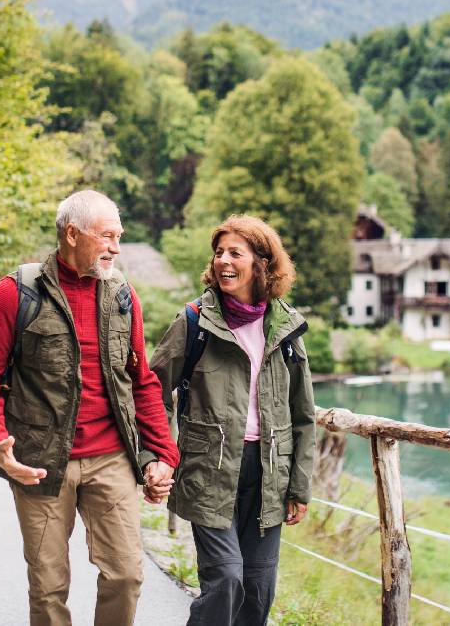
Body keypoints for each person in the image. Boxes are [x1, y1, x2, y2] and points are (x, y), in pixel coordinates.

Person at [0, 190, 179, 626]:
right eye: (107, 237)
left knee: (125, 575)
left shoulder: (123, 296)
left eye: (119, 236)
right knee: (48, 588)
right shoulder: (15, 293)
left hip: (111, 458)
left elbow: (141, 381)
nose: (116, 248)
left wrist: (162, 455)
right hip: (40, 463)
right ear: (72, 233)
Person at [150, 214, 316, 626]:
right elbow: (151, 389)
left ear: (262, 262)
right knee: (226, 581)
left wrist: (300, 485)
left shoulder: (285, 327)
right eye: (219, 252)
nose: (224, 260)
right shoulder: (195, 322)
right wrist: (162, 453)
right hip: (209, 471)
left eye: (235, 253)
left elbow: (303, 414)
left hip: (269, 477)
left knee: (257, 592)